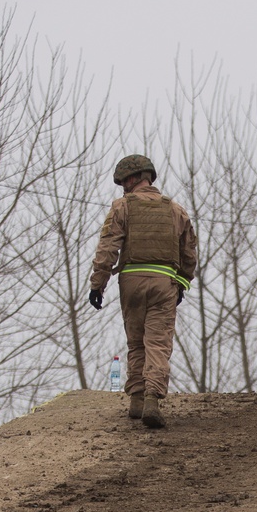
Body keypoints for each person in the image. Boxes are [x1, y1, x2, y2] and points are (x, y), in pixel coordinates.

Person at [88, 155, 197, 428]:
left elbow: (107, 248)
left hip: (132, 281)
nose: (123, 186)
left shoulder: (121, 207)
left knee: (136, 342)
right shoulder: (176, 210)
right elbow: (189, 253)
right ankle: (151, 399)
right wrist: (182, 282)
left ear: (135, 178)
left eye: (124, 180)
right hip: (164, 283)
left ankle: (136, 399)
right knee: (157, 343)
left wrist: (97, 284)